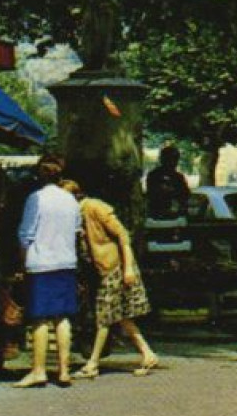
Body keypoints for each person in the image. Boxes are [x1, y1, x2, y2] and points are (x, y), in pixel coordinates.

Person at [63, 179, 160, 379]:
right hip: (104, 268)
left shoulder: (94, 207)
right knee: (121, 316)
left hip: (114, 267)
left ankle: (92, 364)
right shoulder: (77, 215)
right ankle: (147, 353)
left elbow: (123, 235)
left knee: (104, 317)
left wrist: (128, 268)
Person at [14, 153, 82, 388]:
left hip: (40, 262)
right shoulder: (70, 200)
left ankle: (39, 370)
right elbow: (76, 230)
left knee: (40, 318)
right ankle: (64, 370)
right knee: (62, 317)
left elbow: (26, 234)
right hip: (65, 261)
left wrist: (22, 264)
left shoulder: (36, 199)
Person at [146, 144, 191, 221]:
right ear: (162, 159)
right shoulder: (154, 175)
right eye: (170, 159)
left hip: (176, 215)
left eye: (175, 159)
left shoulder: (178, 177)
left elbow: (185, 194)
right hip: (157, 214)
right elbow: (153, 193)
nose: (173, 162)